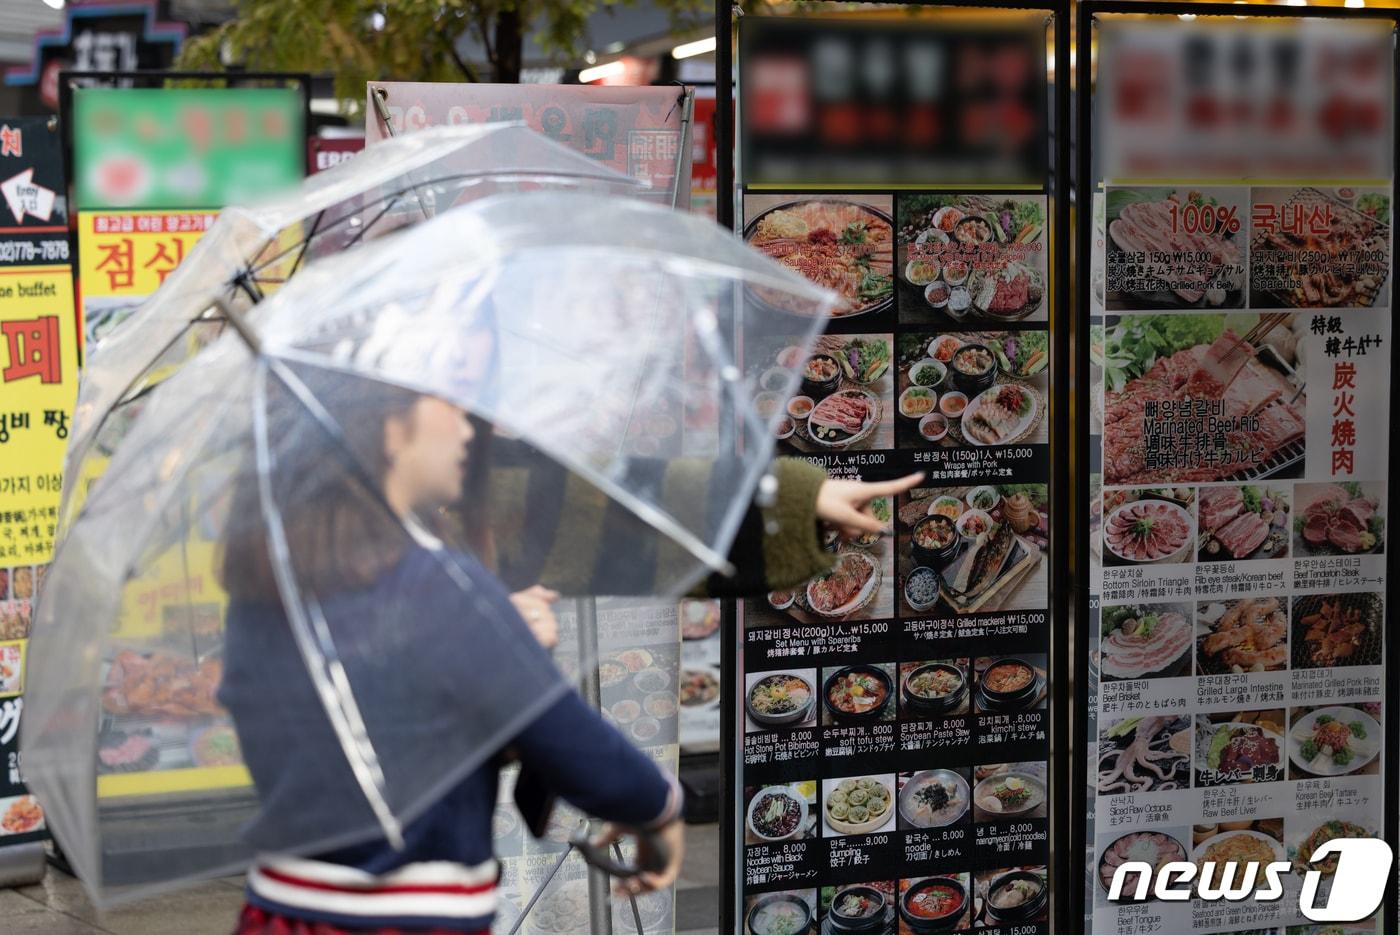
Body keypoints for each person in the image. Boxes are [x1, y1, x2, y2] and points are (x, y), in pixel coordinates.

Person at [218, 374, 918, 935]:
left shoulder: (268, 578)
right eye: (452, 401)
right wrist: (658, 807)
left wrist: (796, 501)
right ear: (385, 424)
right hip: (413, 917)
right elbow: (564, 738)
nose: (475, 424)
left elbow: (608, 507)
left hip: (279, 904)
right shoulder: (445, 585)